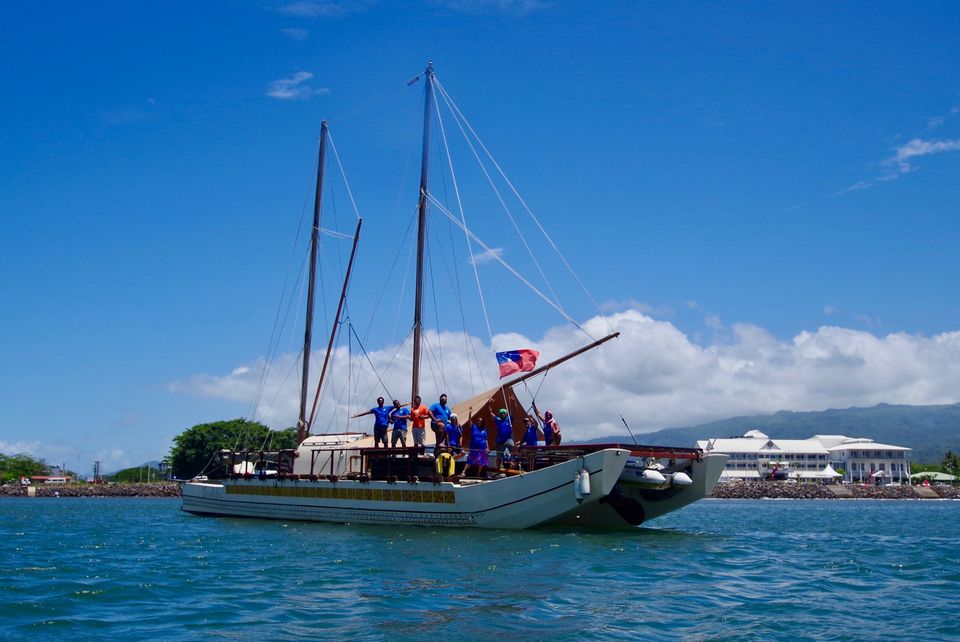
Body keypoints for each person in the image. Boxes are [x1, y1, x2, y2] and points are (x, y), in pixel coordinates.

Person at [462, 410, 489, 477]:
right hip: (474, 448)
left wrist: (487, 447)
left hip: (482, 448)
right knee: (470, 460)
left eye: (480, 421)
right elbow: (469, 422)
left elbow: (486, 439)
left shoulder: (484, 430)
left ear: (482, 422)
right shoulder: (474, 427)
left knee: (481, 462)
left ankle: (478, 474)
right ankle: (463, 472)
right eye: (477, 421)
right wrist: (470, 413)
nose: (478, 422)